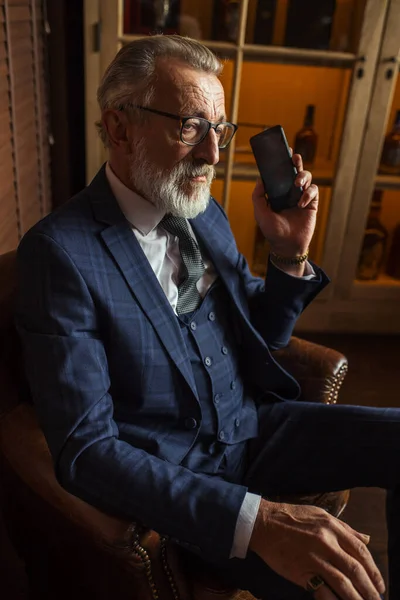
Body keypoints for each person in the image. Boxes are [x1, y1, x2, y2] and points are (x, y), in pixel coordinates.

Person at [16, 34, 397, 600]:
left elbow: (264, 338)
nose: (213, 155)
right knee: (334, 587)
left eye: (220, 129)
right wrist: (257, 521)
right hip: (185, 483)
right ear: (119, 127)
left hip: (257, 429)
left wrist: (289, 253)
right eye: (189, 126)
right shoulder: (60, 254)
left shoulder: (204, 211)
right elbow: (86, 449)